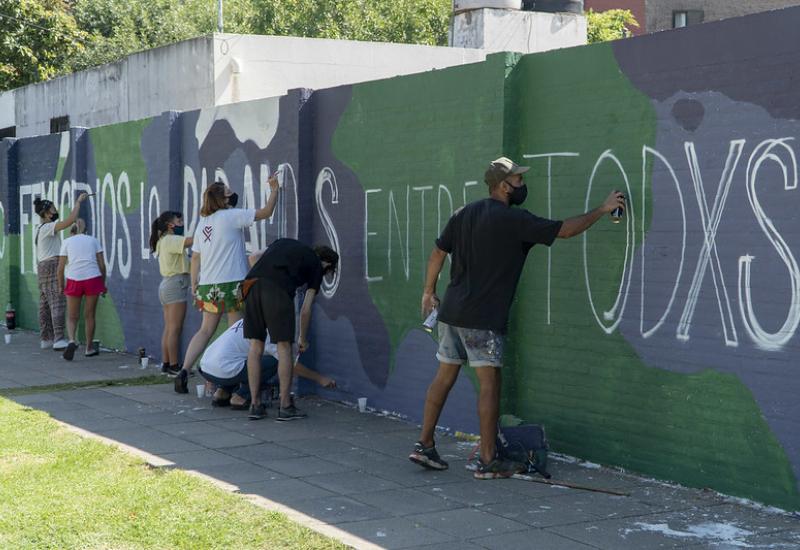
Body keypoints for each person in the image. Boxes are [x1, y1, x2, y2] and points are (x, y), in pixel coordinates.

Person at [408, 156, 625, 479]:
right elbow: (564, 231)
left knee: (444, 377)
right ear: (503, 186)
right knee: (489, 385)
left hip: (452, 313)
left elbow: (438, 252)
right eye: (518, 181)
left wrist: (428, 291)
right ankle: (488, 459)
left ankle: (424, 445)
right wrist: (602, 209)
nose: (523, 186)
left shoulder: (463, 213)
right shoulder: (513, 220)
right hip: (483, 318)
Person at [174, 177, 280, 393]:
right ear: (222, 198)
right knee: (234, 332)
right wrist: (275, 190)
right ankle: (227, 385)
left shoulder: (204, 223)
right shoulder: (232, 216)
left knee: (205, 330)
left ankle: (184, 370)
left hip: (208, 285)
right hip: (233, 284)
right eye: (229, 191)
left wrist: (194, 284)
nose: (233, 193)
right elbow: (266, 212)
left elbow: (195, 257)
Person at [242, 238, 339, 420]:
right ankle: (285, 405)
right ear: (327, 263)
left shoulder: (284, 242)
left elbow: (254, 256)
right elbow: (305, 310)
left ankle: (255, 405)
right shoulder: (316, 266)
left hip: (251, 285)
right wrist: (302, 338)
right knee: (284, 346)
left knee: (255, 347)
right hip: (277, 291)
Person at [198, 319, 336, 411]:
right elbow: (289, 364)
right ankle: (240, 396)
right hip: (225, 370)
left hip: (206, 367)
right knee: (276, 361)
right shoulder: (269, 332)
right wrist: (320, 378)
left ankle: (222, 392)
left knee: (242, 358)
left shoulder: (247, 320)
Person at [33, 192, 88, 351]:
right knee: (57, 300)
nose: (55, 211)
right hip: (51, 266)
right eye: (53, 209)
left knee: (45, 304)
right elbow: (69, 221)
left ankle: (46, 338)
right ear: (46, 213)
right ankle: (58, 338)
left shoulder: (40, 228)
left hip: (43, 266)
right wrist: (78, 202)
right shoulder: (48, 227)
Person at [149, 211, 193, 375]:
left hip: (167, 285)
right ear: (170, 225)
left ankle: (167, 363)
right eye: (179, 220)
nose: (182, 222)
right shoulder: (171, 239)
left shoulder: (162, 241)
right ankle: (174, 366)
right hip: (175, 284)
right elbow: (190, 241)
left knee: (169, 328)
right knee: (175, 328)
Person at [57, 219, 107, 361]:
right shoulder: (93, 240)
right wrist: (102, 284)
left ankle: (72, 340)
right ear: (85, 230)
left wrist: (61, 285)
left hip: (74, 279)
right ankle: (89, 348)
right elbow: (102, 265)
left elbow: (60, 268)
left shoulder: (66, 242)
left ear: (71, 231)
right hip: (93, 278)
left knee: (72, 316)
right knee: (89, 315)